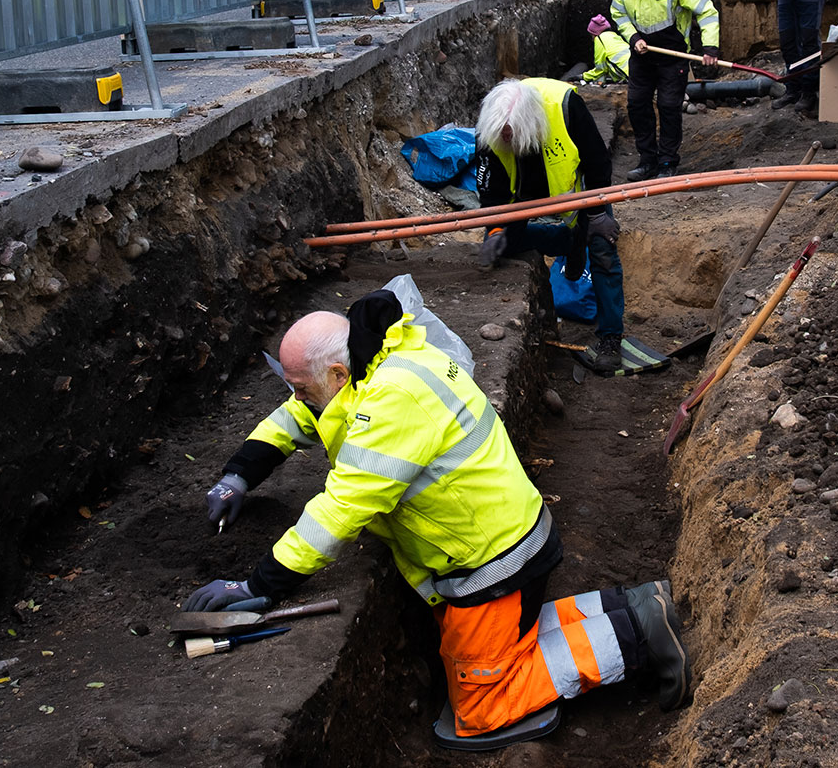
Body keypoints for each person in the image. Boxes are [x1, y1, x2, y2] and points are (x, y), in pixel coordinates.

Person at [192, 294, 691, 748]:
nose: (296, 399)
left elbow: (339, 510)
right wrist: (238, 475)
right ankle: (632, 604)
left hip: (491, 564)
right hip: (503, 542)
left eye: (300, 388)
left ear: (338, 374)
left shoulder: (390, 402)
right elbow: (293, 419)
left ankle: (637, 638)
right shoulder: (379, 359)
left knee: (479, 710)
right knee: (498, 647)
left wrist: (258, 584)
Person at [469, 77, 627, 374]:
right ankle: (570, 242)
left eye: (511, 135)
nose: (505, 139)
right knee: (506, 245)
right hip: (523, 193)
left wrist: (595, 216)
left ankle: (610, 337)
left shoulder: (565, 106)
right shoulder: (490, 126)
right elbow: (491, 190)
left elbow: (596, 161)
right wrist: (494, 230)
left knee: (603, 248)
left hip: (579, 191)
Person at [610, 0, 719, 180]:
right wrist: (633, 37)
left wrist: (710, 47)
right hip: (642, 55)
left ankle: (668, 161)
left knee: (669, 106)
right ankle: (647, 160)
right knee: (637, 104)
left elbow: (707, 12)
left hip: (673, 54)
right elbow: (619, 15)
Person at [580, 14, 631, 83]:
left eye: (591, 35)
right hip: (636, 71)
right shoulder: (615, 36)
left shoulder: (600, 39)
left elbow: (601, 69)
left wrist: (583, 76)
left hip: (629, 76)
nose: (592, 39)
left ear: (595, 34)